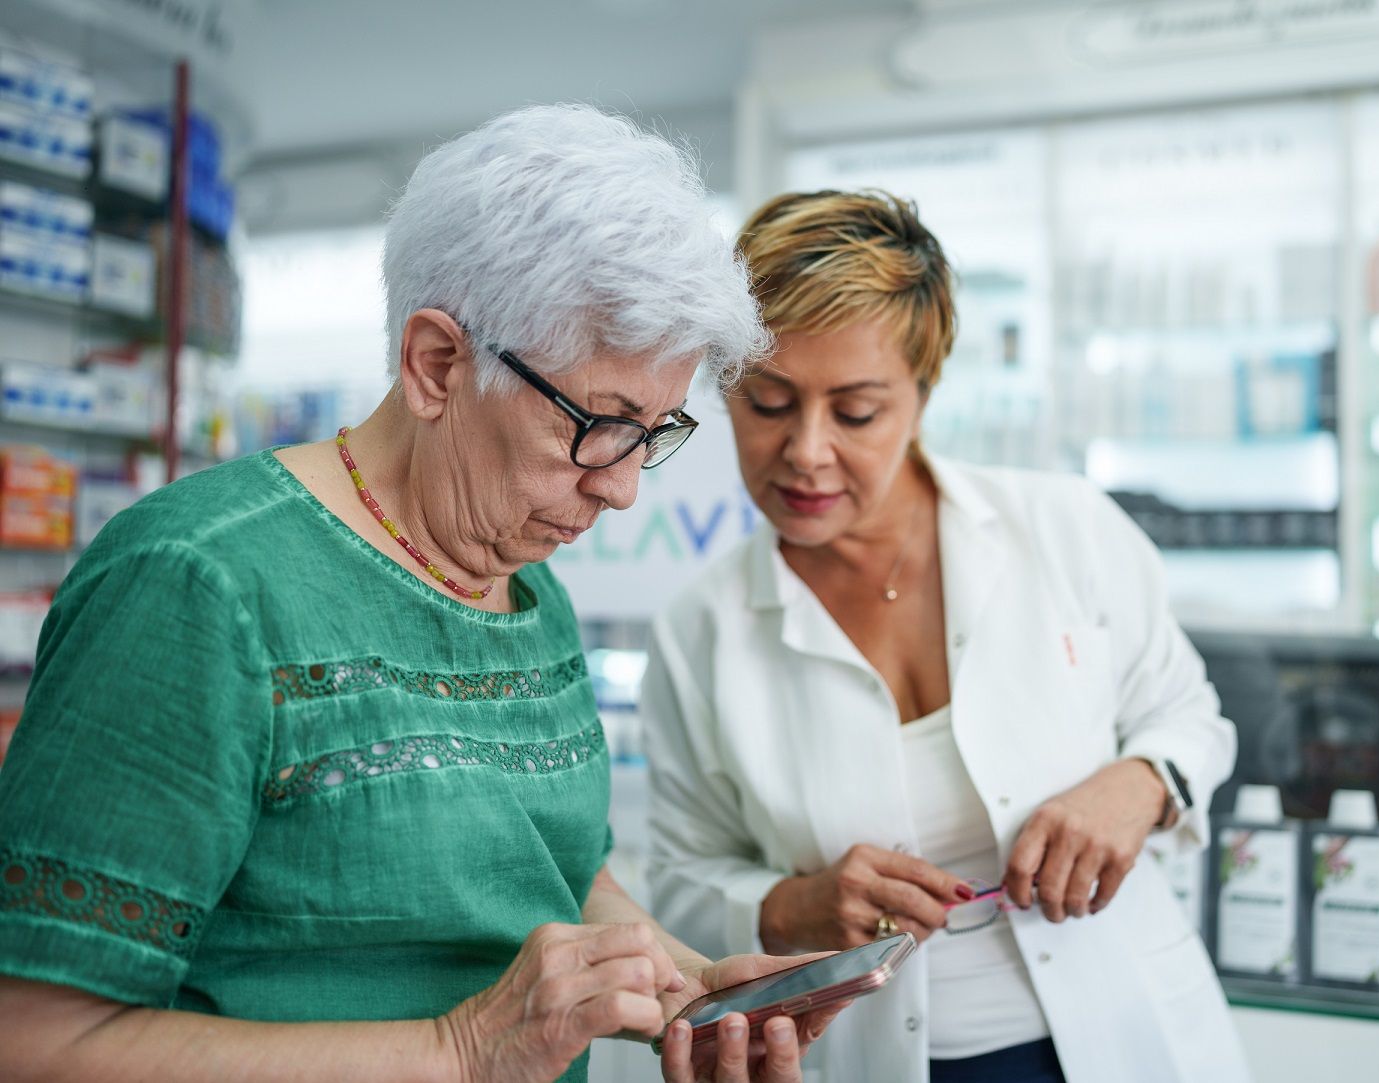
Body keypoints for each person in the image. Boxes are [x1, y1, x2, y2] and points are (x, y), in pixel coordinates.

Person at [0, 106, 845, 1083]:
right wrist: (462, 1051)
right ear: (437, 364)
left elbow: (559, 875)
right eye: (601, 425)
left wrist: (690, 995)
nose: (622, 485)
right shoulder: (197, 588)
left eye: (655, 432)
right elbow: (34, 1038)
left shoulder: (528, 584)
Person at [640, 190, 1252, 1083]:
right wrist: (792, 902)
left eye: (855, 412)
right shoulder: (701, 629)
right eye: (767, 403)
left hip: (1126, 1034)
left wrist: (1141, 781)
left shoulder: (1064, 526)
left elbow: (1188, 714)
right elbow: (681, 877)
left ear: (922, 393)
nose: (806, 451)